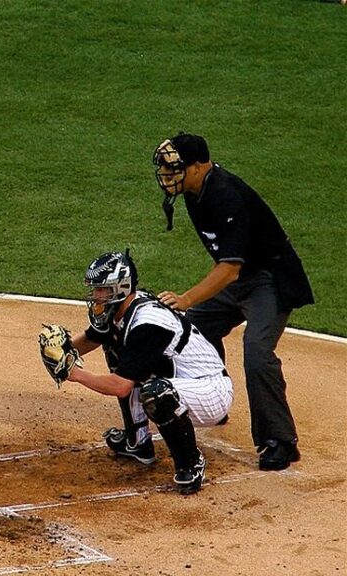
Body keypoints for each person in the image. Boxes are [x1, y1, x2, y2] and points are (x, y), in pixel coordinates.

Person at [152, 133, 314, 471]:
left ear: (198, 167)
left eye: (174, 167)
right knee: (193, 331)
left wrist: (187, 298)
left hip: (269, 280)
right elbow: (225, 262)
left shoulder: (226, 195)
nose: (167, 174)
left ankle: (279, 442)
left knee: (257, 352)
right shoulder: (194, 193)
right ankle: (214, 399)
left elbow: (229, 269)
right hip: (239, 279)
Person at [48, 251, 233, 495]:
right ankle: (138, 442)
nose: (96, 296)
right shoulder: (122, 309)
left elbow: (121, 386)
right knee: (116, 351)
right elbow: (95, 337)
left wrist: (74, 372)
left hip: (210, 391)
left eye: (102, 290)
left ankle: (191, 464)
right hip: (181, 381)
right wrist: (62, 351)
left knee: (157, 394)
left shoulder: (148, 323)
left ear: (121, 287)